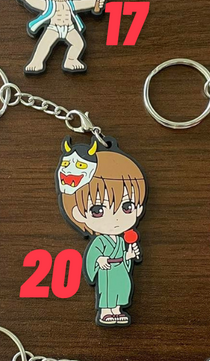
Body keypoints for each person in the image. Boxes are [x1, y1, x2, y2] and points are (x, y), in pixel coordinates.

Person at [57, 137, 146, 325]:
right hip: (107, 273)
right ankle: (106, 312)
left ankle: (117, 311)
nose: (116, 218)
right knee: (108, 292)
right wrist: (99, 260)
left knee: (122, 289)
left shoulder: (121, 240)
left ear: (138, 208)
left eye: (127, 207)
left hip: (120, 271)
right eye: (97, 210)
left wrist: (130, 254)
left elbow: (126, 259)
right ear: (78, 214)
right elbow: (92, 258)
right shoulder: (99, 242)